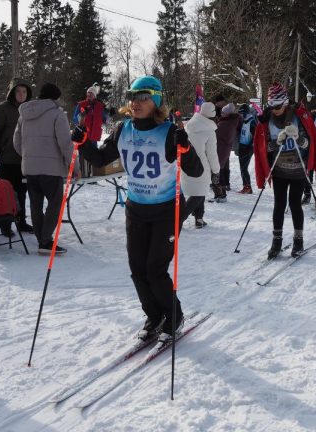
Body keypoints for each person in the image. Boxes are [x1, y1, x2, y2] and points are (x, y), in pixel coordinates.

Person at [74, 75, 203, 342]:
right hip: (136, 209)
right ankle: (154, 315)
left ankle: (174, 315)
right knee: (137, 268)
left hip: (166, 210)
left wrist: (186, 147)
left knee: (155, 269)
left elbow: (196, 170)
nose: (136, 102)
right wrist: (83, 142)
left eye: (143, 97)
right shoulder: (123, 130)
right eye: (132, 97)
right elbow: (100, 159)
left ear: (156, 100)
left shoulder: (168, 132)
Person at [253, 82, 316, 258]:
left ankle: (298, 241)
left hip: (298, 170)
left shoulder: (299, 117)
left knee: (294, 204)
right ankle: (276, 241)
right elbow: (263, 149)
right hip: (278, 170)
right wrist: (276, 142)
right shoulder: (267, 120)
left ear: (285, 103)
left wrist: (298, 137)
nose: (274, 110)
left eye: (277, 106)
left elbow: (309, 145)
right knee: (279, 204)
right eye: (271, 106)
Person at [13, 83, 73, 254]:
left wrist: (28, 156)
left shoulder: (24, 114)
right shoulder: (57, 114)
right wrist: (73, 166)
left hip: (30, 169)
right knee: (55, 204)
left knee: (36, 205)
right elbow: (66, 144)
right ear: (55, 97)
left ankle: (42, 240)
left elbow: (16, 142)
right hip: (51, 169)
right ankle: (45, 241)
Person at [0, 78, 34, 233]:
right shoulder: (2, 109)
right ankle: (5, 224)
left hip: (25, 160)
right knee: (7, 194)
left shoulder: (30, 109)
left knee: (21, 193)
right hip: (7, 159)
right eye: (18, 91)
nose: (21, 94)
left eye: (24, 91)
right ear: (12, 92)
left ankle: (21, 222)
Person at [182, 102, 220, 228]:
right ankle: (178, 220)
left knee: (200, 191)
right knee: (198, 194)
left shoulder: (189, 125)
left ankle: (199, 218)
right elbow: (212, 154)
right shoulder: (210, 131)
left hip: (187, 163)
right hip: (201, 166)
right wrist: (216, 170)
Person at [216, 103, 241, 200]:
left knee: (219, 170)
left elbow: (215, 133)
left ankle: (221, 193)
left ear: (227, 114)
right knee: (224, 168)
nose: (221, 114)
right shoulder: (232, 121)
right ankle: (225, 185)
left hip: (221, 149)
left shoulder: (225, 123)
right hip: (225, 148)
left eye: (223, 112)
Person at [236, 103, 257, 194]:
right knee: (242, 168)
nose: (240, 115)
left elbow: (255, 136)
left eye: (241, 113)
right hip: (242, 146)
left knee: (244, 168)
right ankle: (246, 186)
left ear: (245, 113)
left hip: (247, 148)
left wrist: (250, 146)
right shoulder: (244, 121)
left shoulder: (252, 121)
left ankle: (248, 187)